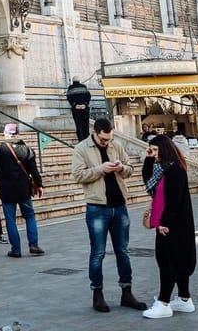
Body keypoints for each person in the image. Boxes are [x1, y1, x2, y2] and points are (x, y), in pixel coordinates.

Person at [70, 117, 147, 313]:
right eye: (103, 139)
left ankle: (127, 293)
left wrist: (121, 168)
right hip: (97, 208)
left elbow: (130, 169)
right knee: (98, 252)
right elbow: (78, 175)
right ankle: (97, 293)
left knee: (123, 251)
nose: (107, 142)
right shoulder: (81, 149)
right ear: (95, 133)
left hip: (119, 205)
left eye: (109, 139)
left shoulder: (116, 145)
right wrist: (100, 169)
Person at [140, 134, 196, 319]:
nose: (153, 153)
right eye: (151, 150)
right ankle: (185, 299)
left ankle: (164, 303)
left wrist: (165, 223)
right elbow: (149, 182)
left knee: (167, 261)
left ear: (164, 149)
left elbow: (174, 200)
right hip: (175, 223)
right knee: (177, 259)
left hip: (173, 225)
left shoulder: (174, 170)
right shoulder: (163, 169)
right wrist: (148, 158)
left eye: (155, 150)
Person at [0, 123, 44, 258]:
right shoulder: (27, 150)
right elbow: (34, 170)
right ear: (18, 134)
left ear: (5, 134)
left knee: (10, 219)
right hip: (24, 189)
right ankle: (33, 244)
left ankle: (16, 249)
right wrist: (39, 185)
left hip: (7, 190)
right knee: (30, 216)